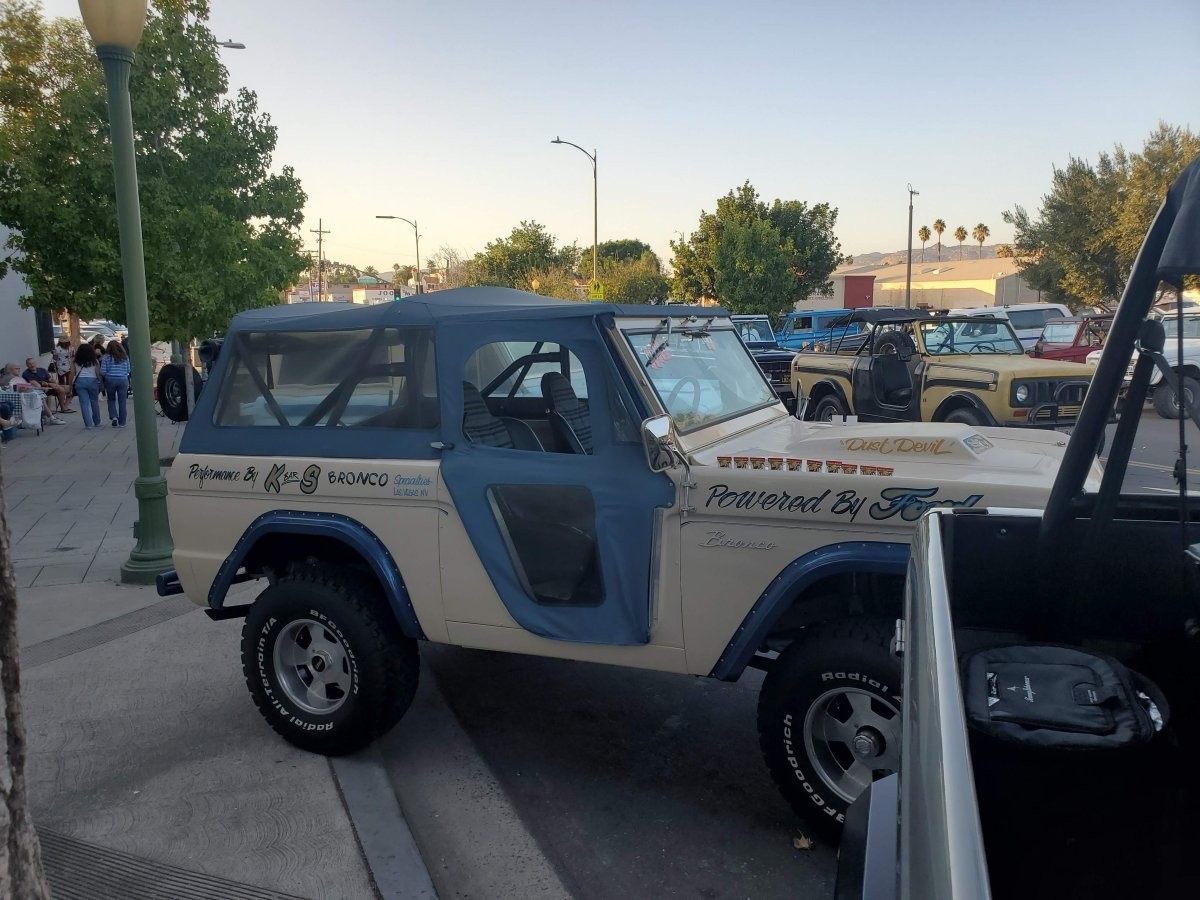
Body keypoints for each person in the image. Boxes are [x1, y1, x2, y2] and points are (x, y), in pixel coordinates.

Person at [100, 339, 130, 427]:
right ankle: (122, 422)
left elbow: (103, 371)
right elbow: (128, 369)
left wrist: (107, 376)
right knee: (122, 401)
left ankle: (114, 417)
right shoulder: (125, 357)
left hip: (110, 379)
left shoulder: (106, 357)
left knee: (111, 399)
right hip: (123, 379)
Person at [72, 344, 102, 428]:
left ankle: (88, 424)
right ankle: (97, 421)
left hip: (80, 381)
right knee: (94, 402)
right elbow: (97, 373)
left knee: (84, 403)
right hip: (93, 381)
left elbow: (72, 373)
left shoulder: (75, 361)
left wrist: (70, 383)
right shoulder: (95, 361)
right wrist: (100, 381)